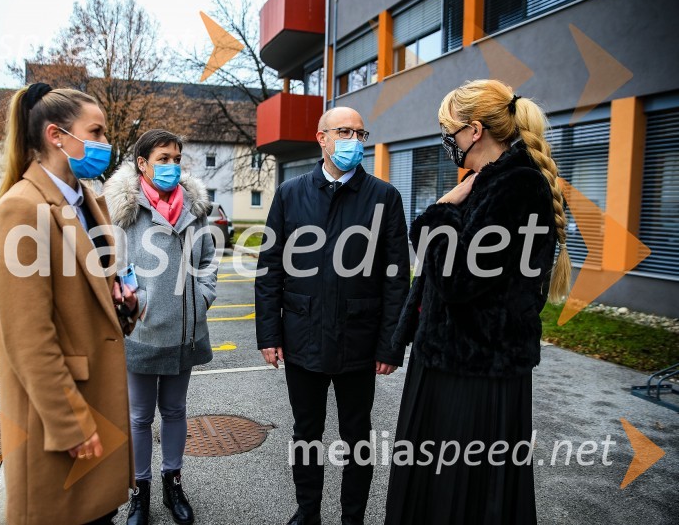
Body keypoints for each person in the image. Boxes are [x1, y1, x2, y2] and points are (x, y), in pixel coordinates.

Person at [384, 79, 572, 524]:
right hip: (450, 363)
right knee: (438, 489)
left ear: (473, 130)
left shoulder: (517, 186)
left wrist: (438, 210)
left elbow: (457, 279)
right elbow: (430, 281)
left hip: (476, 374)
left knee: (462, 494)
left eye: (447, 129)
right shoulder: (485, 181)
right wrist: (401, 338)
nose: (444, 138)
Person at [0, 83, 139, 524]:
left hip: (99, 405)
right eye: (95, 131)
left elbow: (97, 293)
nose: (104, 143)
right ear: (57, 136)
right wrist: (71, 423)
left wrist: (123, 303)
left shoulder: (88, 200)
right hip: (63, 418)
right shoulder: (22, 208)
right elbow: (27, 336)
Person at [255, 107, 410, 525]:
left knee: (357, 437)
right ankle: (308, 512)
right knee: (306, 433)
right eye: (345, 132)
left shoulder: (384, 197)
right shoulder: (289, 194)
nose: (354, 141)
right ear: (321, 138)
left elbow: (397, 277)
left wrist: (391, 344)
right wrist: (269, 334)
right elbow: (270, 268)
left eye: (361, 134)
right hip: (302, 337)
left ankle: (353, 518)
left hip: (359, 341)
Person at [104, 129, 217, 525]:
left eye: (176, 158)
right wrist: (138, 304)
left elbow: (207, 263)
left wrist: (200, 299)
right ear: (142, 163)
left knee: (174, 410)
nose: (171, 166)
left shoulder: (195, 209)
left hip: (185, 330)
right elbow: (112, 269)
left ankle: (173, 484)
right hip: (140, 330)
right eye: (163, 158)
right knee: (138, 417)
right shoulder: (122, 210)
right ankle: (140, 492)